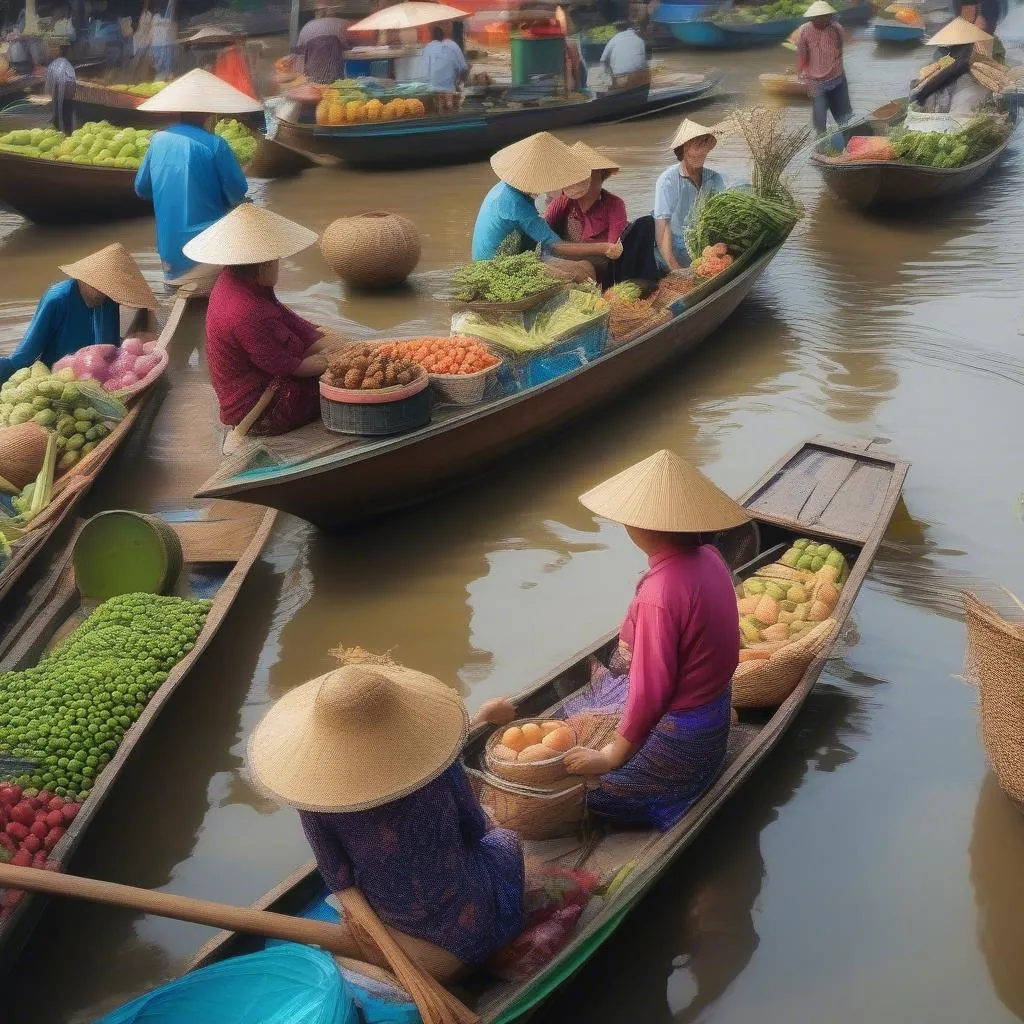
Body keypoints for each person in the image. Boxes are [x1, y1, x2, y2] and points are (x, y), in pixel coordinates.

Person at [246, 656, 525, 979]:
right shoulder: (439, 769)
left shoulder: (319, 806)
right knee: (504, 839)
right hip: (472, 909)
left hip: (401, 918)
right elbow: (474, 828)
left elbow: (339, 879)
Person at [560, 449, 749, 829]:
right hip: (713, 720)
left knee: (577, 800)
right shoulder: (710, 556)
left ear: (645, 527)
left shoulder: (660, 594)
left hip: (685, 745)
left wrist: (612, 756)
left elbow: (651, 692)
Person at [184, 204, 342, 436]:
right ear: (265, 264)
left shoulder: (235, 280)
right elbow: (283, 365)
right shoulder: (245, 311)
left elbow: (285, 317)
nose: (279, 265)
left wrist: (324, 342)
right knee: (336, 385)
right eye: (277, 260)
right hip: (255, 406)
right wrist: (332, 364)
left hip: (257, 372)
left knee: (332, 354)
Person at [133, 69, 256, 288]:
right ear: (208, 113)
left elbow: (141, 189)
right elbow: (239, 191)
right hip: (207, 249)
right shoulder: (216, 145)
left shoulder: (157, 140)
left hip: (168, 253)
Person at [472, 132, 623, 282]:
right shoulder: (517, 205)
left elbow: (544, 233)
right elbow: (555, 244)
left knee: (588, 265)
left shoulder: (504, 188)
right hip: (500, 265)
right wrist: (605, 247)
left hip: (515, 254)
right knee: (585, 270)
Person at [0, 243, 158, 384]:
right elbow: (23, 357)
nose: (103, 295)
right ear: (85, 279)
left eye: (107, 291)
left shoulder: (108, 299)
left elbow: (110, 345)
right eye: (99, 288)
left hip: (97, 374)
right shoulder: (57, 299)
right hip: (60, 377)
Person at [545, 141, 658, 285]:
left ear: (599, 176)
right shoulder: (562, 203)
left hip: (607, 269)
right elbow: (545, 238)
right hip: (571, 264)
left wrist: (597, 249)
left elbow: (613, 250)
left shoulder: (614, 204)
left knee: (646, 223)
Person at [653, 119, 725, 273]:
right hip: (675, 249)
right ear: (683, 149)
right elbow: (663, 226)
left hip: (705, 246)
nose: (697, 153)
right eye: (692, 146)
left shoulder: (715, 179)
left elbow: (721, 220)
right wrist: (674, 267)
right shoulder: (668, 180)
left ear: (707, 149)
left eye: (702, 145)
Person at [912, 18, 995, 114]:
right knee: (945, 80)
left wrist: (923, 93)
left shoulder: (968, 51)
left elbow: (950, 72)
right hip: (959, 64)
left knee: (948, 79)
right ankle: (924, 96)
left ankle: (923, 96)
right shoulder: (958, 47)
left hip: (964, 67)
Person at [795, 1, 852, 135]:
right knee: (820, 120)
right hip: (815, 82)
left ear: (830, 16)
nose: (822, 19)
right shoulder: (805, 30)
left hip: (836, 78)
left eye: (826, 16)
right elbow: (802, 53)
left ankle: (846, 140)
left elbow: (841, 49)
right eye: (819, 16)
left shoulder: (836, 29)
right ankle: (821, 144)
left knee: (843, 118)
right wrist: (800, 71)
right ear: (813, 17)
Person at [296, 2, 348, 85]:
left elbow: (300, 53)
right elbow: (349, 46)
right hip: (335, 76)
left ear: (316, 13)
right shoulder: (343, 23)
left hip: (312, 76)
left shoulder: (306, 27)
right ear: (332, 11)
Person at [422, 24, 467, 111]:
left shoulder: (427, 48)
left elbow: (425, 72)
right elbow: (463, 70)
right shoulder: (453, 46)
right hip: (449, 94)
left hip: (430, 94)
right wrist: (458, 82)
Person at [44, 43, 76, 133]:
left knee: (62, 117)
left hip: (63, 96)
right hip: (63, 96)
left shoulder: (59, 65)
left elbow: (50, 85)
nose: (50, 50)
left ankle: (63, 135)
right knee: (64, 118)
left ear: (60, 50)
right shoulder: (65, 65)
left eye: (54, 47)